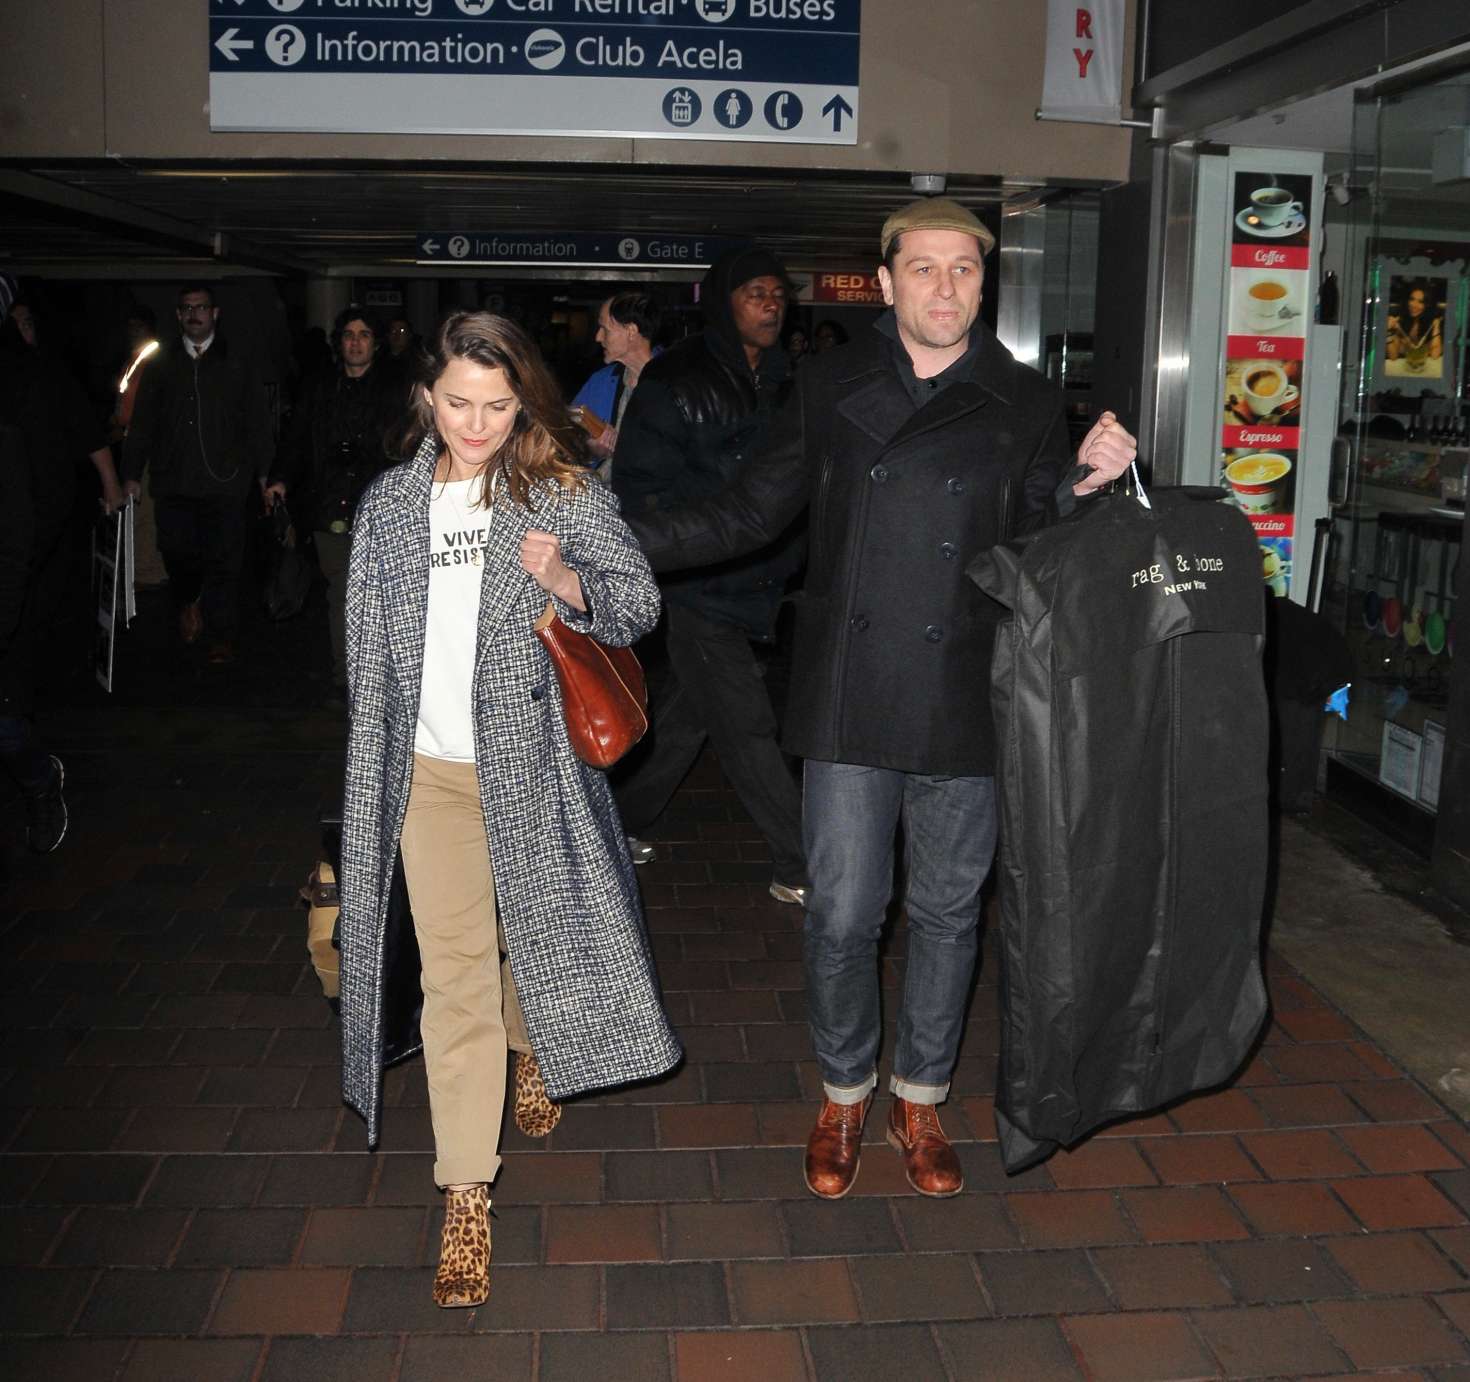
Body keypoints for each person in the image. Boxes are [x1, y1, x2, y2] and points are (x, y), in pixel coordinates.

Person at [623, 198, 1137, 1200]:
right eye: (925, 268)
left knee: (948, 912)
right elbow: (748, 510)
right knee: (846, 912)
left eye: (964, 271)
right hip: (855, 692)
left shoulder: (1029, 401)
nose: (945, 287)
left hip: (967, 692)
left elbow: (1037, 543)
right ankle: (846, 1089)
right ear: (889, 280)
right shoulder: (829, 385)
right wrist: (615, 537)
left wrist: (1085, 485)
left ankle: (920, 1093)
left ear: (983, 285)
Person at [337, 311, 681, 1310]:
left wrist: (565, 577)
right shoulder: (389, 511)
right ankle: (465, 1188)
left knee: (523, 931)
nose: (476, 424)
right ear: (425, 399)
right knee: (453, 980)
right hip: (429, 777)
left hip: (530, 767)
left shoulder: (556, 492)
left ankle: (533, 1044)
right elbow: (363, 660)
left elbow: (636, 604)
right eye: (457, 403)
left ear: (524, 403)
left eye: (496, 405)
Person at [610, 247, 808, 899]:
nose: (771, 304)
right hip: (694, 580)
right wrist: (687, 544)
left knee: (694, 712)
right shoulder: (676, 378)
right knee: (749, 725)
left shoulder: (788, 378)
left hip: (759, 581)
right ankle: (800, 866)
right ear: (725, 300)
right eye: (756, 291)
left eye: (778, 293)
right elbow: (640, 489)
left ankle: (617, 819)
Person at [122, 284, 273, 665]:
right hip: (174, 481)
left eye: (201, 307)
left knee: (225, 561)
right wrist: (131, 473)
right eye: (187, 308)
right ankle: (189, 600)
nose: (194, 314)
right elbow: (142, 423)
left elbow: (257, 421)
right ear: (178, 315)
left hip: (226, 482)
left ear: (215, 313)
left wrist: (265, 474)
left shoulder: (236, 360)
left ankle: (221, 634)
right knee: (176, 552)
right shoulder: (161, 363)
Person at [265, 306, 399, 694]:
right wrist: (280, 480)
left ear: (376, 343)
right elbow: (294, 439)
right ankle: (349, 676)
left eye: (364, 335)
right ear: (339, 342)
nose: (355, 342)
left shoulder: (393, 390)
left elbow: (407, 446)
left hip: (379, 507)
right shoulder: (319, 386)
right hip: (329, 504)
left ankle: (379, 673)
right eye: (349, 335)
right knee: (340, 591)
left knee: (380, 594)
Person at [569, 291, 660, 478]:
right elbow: (565, 442)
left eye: (605, 329)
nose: (598, 337)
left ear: (631, 331)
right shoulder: (601, 381)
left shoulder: (677, 380)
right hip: (602, 497)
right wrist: (592, 450)